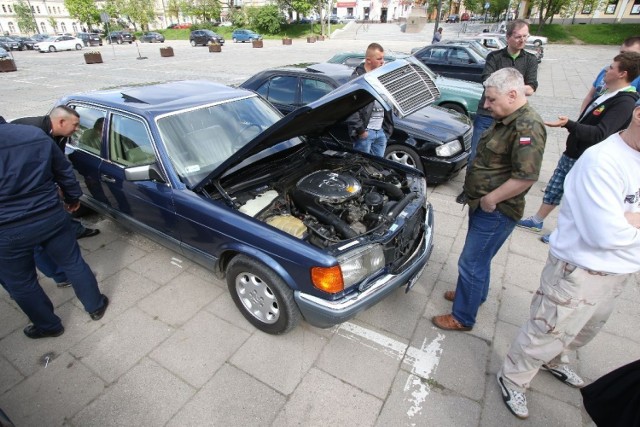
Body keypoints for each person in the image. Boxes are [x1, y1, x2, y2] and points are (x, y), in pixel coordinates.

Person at [496, 99, 640, 420]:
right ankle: (514, 377)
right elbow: (605, 235)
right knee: (546, 328)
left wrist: (629, 219)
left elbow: (619, 231)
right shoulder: (603, 161)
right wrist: (624, 223)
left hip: (620, 270)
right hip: (580, 270)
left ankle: (554, 360)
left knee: (584, 329)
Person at [431, 68, 546, 331]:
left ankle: (462, 317)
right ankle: (472, 296)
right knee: (480, 259)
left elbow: (526, 177)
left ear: (513, 94)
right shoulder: (508, 117)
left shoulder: (527, 126)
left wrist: (491, 199)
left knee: (470, 262)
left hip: (496, 209)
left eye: (491, 100)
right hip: (483, 204)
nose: (485, 105)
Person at [0, 117, 109, 339]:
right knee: (73, 261)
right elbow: (63, 171)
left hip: (8, 230)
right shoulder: (32, 135)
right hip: (50, 215)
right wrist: (72, 198)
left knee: (22, 282)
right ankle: (95, 306)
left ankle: (49, 326)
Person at [517, 51, 640, 242]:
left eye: (611, 67)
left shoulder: (625, 102)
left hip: (587, 158)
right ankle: (537, 220)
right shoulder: (608, 93)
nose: (606, 70)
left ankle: (565, 234)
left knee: (576, 199)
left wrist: (569, 124)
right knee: (555, 188)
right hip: (573, 152)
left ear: (622, 74)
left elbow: (601, 134)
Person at [456, 19, 539, 204]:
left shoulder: (530, 60)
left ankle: (494, 191)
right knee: (476, 153)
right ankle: (468, 190)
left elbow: (532, 87)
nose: (522, 40)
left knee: (501, 156)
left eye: (525, 36)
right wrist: (514, 88)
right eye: (518, 36)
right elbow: (487, 81)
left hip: (511, 118)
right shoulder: (494, 57)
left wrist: (505, 87)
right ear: (508, 37)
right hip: (487, 116)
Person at [12, 106, 100, 239]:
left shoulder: (61, 134)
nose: (77, 129)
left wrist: (65, 191)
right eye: (75, 125)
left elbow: (58, 163)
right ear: (61, 122)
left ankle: (71, 231)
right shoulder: (33, 133)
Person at [346, 42, 394, 157]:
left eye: (383, 58)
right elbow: (350, 109)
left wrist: (387, 130)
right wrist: (361, 131)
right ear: (368, 60)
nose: (383, 62)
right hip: (365, 133)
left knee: (377, 168)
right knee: (362, 168)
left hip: (381, 132)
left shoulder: (380, 76)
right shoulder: (357, 79)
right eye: (379, 59)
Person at [580, 36, 640, 113]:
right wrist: (581, 116)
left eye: (631, 54)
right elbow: (590, 96)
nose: (624, 57)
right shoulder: (607, 70)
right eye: (622, 53)